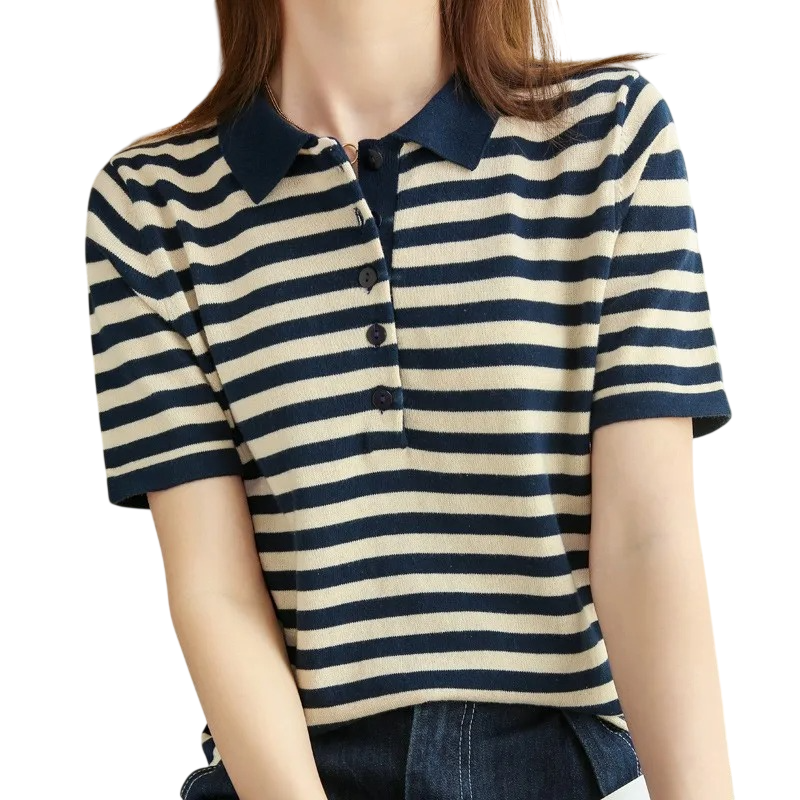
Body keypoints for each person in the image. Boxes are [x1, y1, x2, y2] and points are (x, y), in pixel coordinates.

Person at [83, 1, 736, 799]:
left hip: (552, 761)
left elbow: (647, 541)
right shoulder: (149, 206)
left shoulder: (612, 139)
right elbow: (214, 590)